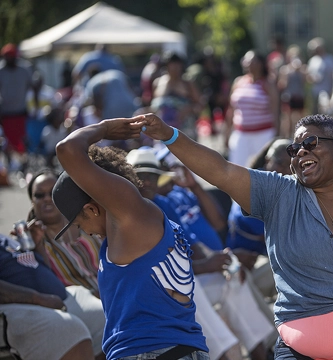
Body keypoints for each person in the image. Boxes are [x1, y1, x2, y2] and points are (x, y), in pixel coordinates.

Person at [128, 47, 333, 359]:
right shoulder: (280, 194)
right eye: (295, 149)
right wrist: (170, 135)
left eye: (311, 143)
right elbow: (222, 170)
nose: (300, 151)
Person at [52, 131, 209, 359]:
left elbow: (66, 149)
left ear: (91, 209)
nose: (84, 232)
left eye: (78, 224)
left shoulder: (130, 220)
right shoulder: (141, 223)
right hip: (178, 349)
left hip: (152, 352)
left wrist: (107, 127)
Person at [126, 148, 276, 360]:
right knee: (193, 294)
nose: (148, 182)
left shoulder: (163, 202)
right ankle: (234, 352)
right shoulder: (130, 214)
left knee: (231, 281)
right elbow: (156, 270)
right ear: (129, 180)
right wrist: (207, 265)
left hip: (186, 277)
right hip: (159, 291)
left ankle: (262, 353)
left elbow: (192, 245)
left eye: (152, 175)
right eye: (141, 176)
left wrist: (222, 262)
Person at [0, 231, 105, 360]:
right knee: (70, 329)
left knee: (106, 317)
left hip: (58, 297)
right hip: (21, 305)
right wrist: (37, 298)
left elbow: (39, 269)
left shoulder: (7, 239)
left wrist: (38, 246)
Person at [226, 138, 291, 300]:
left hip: (260, 262)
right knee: (296, 264)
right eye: (281, 163)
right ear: (269, 161)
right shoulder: (254, 187)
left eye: (292, 166)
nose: (288, 171)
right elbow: (284, 240)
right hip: (241, 272)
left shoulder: (271, 182)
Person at [27, 169, 102, 297]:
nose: (47, 199)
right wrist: (37, 246)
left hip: (112, 293)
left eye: (52, 193)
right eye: (39, 195)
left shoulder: (87, 221)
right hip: (78, 306)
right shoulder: (31, 238)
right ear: (32, 201)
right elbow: (45, 283)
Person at [224, 50, 279, 166]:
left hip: (263, 134)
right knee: (236, 166)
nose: (248, 64)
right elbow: (231, 109)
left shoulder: (268, 84)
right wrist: (227, 132)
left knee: (260, 168)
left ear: (260, 64)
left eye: (251, 61)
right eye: (246, 61)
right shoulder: (239, 82)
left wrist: (277, 133)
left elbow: (275, 111)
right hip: (241, 133)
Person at [152, 51, 202, 141]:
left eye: (178, 65)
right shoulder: (158, 83)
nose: (175, 68)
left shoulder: (187, 83)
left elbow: (199, 104)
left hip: (184, 130)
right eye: (172, 64)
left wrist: (189, 109)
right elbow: (154, 106)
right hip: (162, 130)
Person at [0, 43, 32, 171]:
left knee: (22, 139)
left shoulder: (24, 70)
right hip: (6, 112)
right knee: (6, 139)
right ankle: (8, 162)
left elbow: (32, 85)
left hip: (20, 111)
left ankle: (24, 162)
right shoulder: (1, 71)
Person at [278, 45, 307, 139]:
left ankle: (300, 136)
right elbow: (281, 84)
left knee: (300, 119)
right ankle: (286, 138)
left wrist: (301, 71)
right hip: (289, 97)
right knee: (287, 120)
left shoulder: (302, 69)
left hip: (299, 97)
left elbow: (305, 82)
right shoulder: (285, 69)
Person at [306, 37, 333, 114]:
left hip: (327, 90)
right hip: (315, 92)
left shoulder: (330, 59)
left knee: (327, 113)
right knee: (315, 113)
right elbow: (308, 76)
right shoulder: (313, 60)